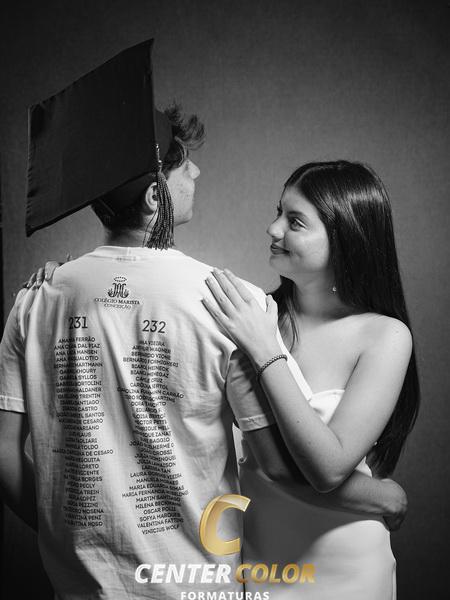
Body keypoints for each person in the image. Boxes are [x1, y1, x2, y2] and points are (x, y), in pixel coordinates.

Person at [0, 40, 408, 598]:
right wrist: (385, 495)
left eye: (295, 221)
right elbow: (279, 466)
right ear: (154, 196)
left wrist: (70, 542)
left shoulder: (36, 300)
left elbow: (6, 458)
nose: (196, 169)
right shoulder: (232, 304)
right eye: (181, 164)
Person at [203, 160, 419, 599]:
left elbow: (328, 467)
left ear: (346, 238)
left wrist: (266, 351)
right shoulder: (252, 316)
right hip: (263, 560)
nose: (273, 228)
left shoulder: (385, 336)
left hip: (348, 566)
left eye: (295, 221)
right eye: (278, 212)